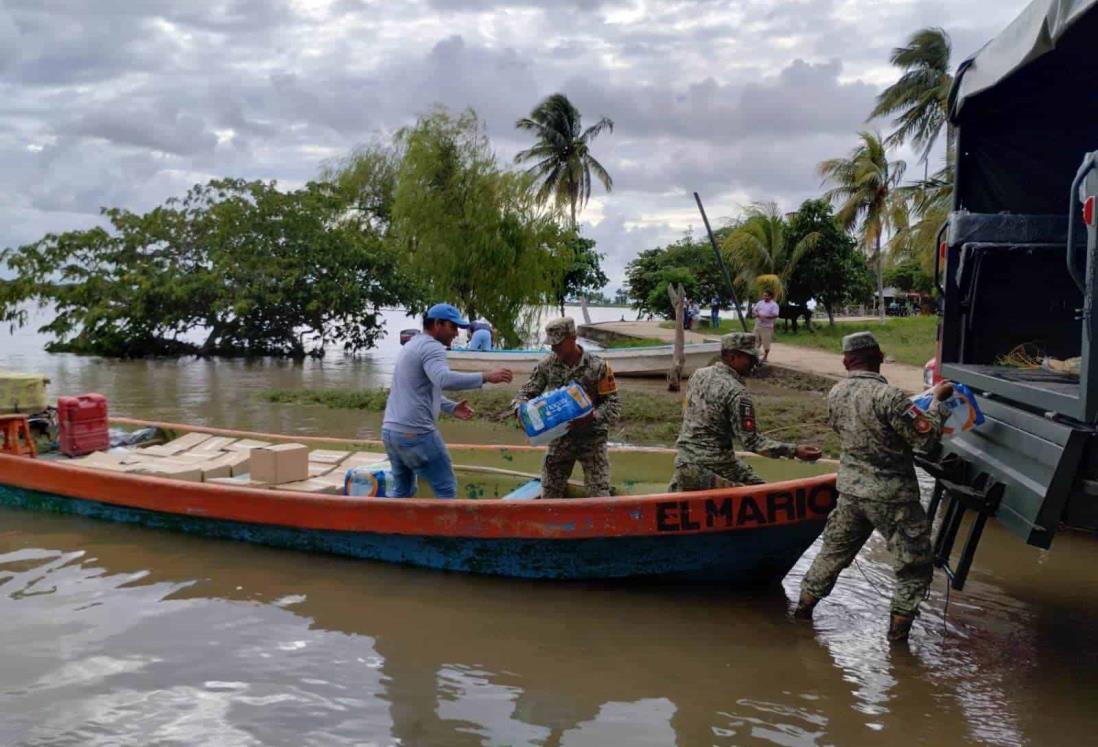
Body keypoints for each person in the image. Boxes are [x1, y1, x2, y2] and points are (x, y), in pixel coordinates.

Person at [795, 331, 951, 643]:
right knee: (914, 566)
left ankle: (801, 614)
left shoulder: (836, 393)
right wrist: (938, 403)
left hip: (851, 492)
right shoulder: (889, 397)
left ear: (845, 361)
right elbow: (925, 439)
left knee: (832, 554)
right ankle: (897, 641)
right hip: (893, 498)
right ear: (879, 356)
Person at [382, 303, 513, 498]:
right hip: (417, 434)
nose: (456, 334)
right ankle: (444, 529)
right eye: (452, 327)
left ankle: (391, 527)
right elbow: (443, 379)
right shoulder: (433, 347)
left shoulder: (411, 344)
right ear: (437, 324)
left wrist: (450, 407)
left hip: (391, 432)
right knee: (446, 488)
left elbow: (415, 390)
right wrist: (486, 376)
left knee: (403, 491)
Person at [668, 332, 821, 491]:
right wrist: (795, 451)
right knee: (765, 495)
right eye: (750, 358)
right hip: (714, 466)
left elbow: (688, 412)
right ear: (733, 357)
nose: (754, 363)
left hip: (684, 461)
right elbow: (752, 442)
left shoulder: (698, 374)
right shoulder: (737, 393)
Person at [513, 317, 620, 498]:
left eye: (558, 343)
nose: (553, 348)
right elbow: (527, 392)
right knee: (550, 491)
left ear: (572, 338)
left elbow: (613, 404)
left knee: (599, 493)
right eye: (551, 344)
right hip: (560, 437)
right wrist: (519, 408)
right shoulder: (546, 365)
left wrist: (592, 417)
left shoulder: (598, 366)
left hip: (592, 438)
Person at [752, 289, 780, 363]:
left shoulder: (774, 305)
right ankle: (755, 356)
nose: (765, 297)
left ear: (771, 296)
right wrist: (758, 315)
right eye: (764, 295)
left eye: (767, 296)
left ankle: (765, 357)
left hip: (767, 327)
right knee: (755, 341)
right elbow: (754, 310)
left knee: (766, 343)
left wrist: (765, 317)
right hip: (757, 325)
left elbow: (775, 315)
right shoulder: (760, 303)